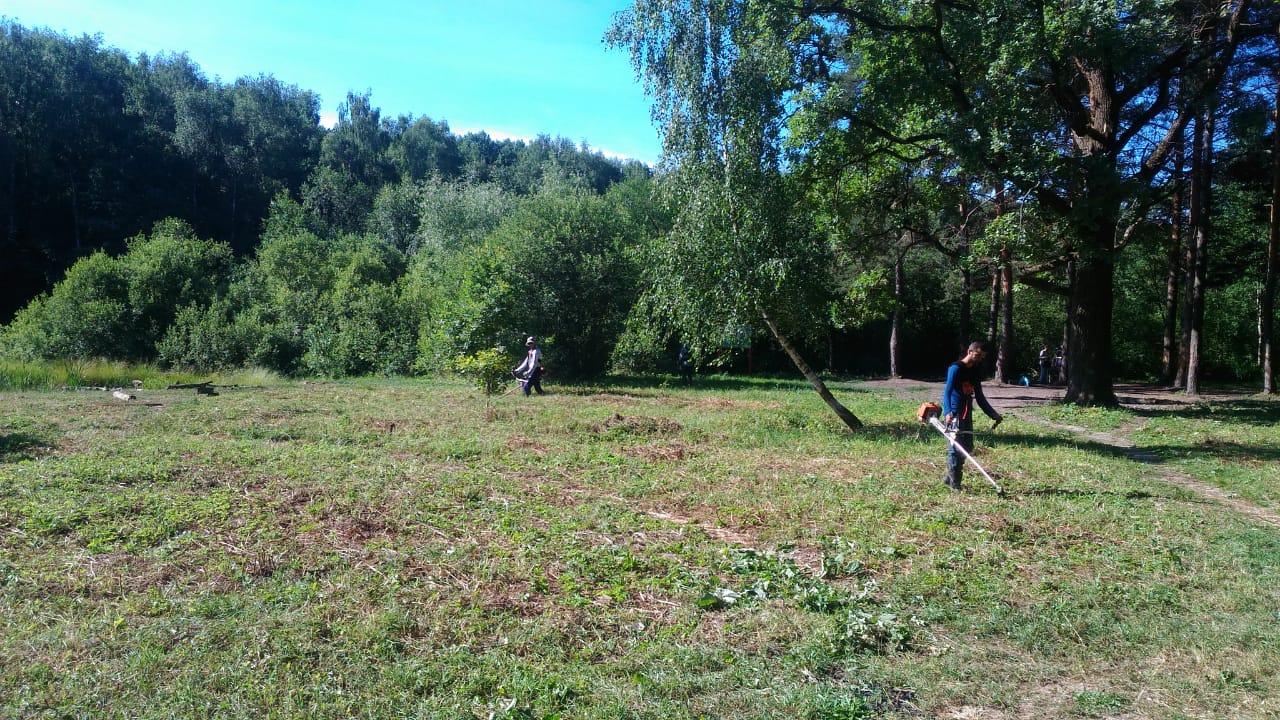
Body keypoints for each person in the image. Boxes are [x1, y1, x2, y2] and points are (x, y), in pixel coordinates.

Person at [941, 341, 1002, 490]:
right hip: (954, 415)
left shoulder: (975, 371)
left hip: (966, 414)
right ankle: (955, 484)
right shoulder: (955, 368)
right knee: (955, 449)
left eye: (982, 357)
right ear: (970, 351)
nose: (980, 359)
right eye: (978, 355)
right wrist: (948, 411)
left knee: (967, 447)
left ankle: (950, 477)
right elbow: (947, 392)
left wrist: (992, 414)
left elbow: (979, 396)